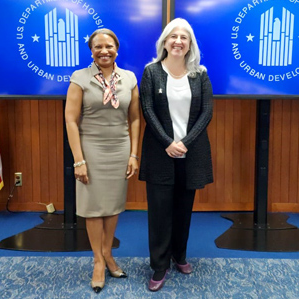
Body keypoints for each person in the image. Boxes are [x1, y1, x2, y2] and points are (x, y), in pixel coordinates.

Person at [139, 18, 214, 292]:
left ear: (190, 43)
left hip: (191, 154)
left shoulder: (200, 74)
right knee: (160, 213)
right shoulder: (151, 72)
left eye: (184, 37)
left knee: (184, 209)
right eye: (173, 37)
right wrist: (169, 142)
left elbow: (207, 112)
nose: (178, 41)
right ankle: (159, 266)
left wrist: (184, 142)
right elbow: (147, 109)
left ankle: (179, 256)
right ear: (165, 42)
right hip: (160, 153)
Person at [65, 29, 141, 294]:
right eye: (98, 47)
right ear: (91, 50)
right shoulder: (80, 78)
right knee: (93, 207)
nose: (104, 51)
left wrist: (134, 154)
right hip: (91, 150)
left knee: (112, 206)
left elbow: (134, 119)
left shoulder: (129, 78)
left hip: (120, 150)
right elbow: (71, 121)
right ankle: (98, 261)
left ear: (117, 49)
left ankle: (108, 254)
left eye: (109, 46)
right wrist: (78, 160)